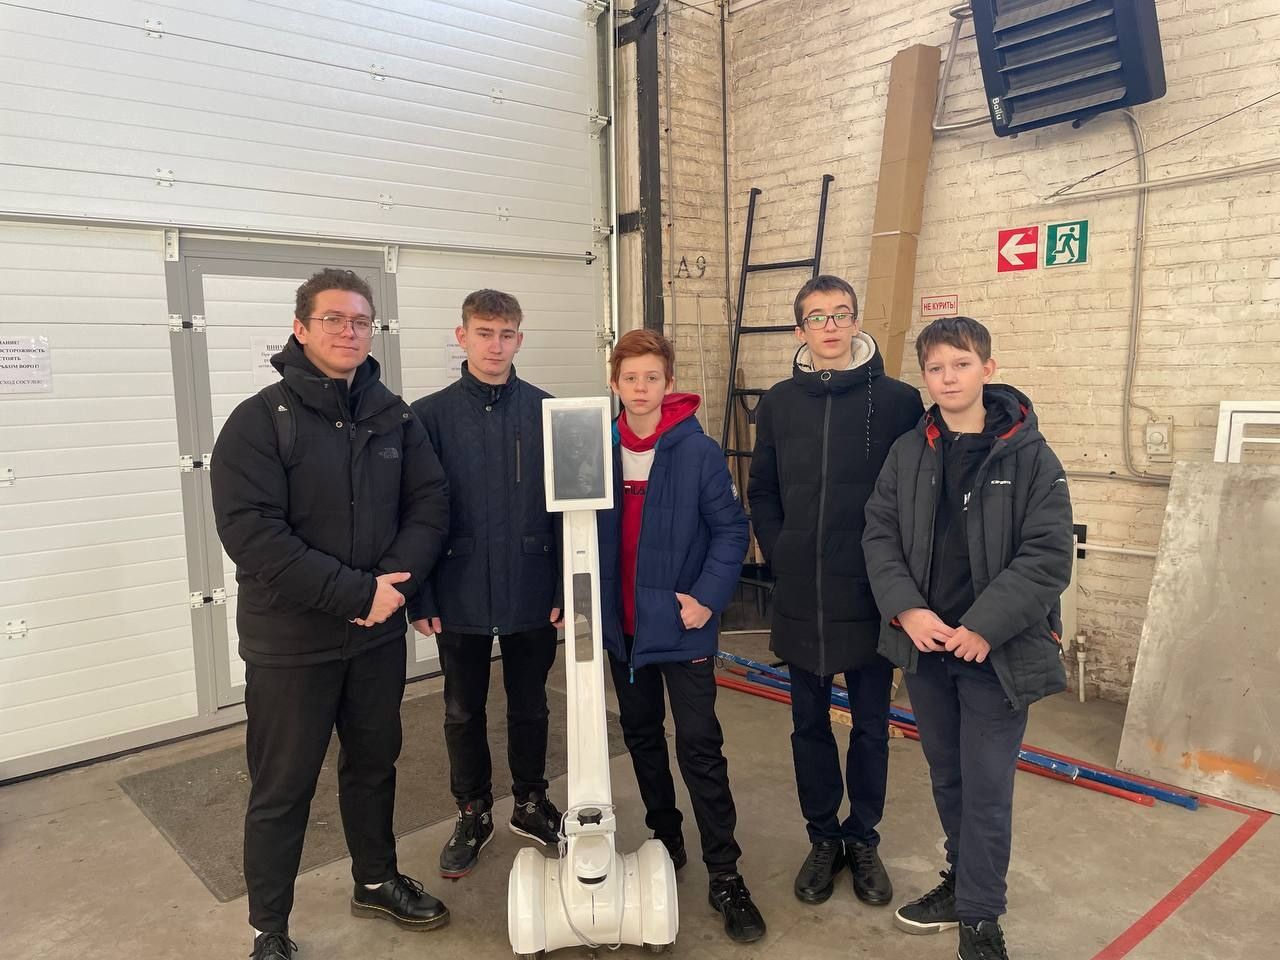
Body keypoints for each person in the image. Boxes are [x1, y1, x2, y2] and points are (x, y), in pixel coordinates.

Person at [211, 268, 451, 960]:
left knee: (374, 765)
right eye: (334, 320)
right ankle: (269, 928)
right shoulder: (260, 421)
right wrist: (359, 594)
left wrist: (393, 586)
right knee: (283, 787)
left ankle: (375, 880)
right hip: (292, 643)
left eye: (361, 321)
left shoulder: (393, 415)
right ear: (300, 328)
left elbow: (430, 503)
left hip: (375, 638)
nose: (349, 332)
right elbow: (254, 535)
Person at [862, 316, 1073, 960]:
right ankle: (963, 882)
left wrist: (984, 626)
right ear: (924, 377)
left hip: (996, 653)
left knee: (986, 786)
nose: (948, 378)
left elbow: (1047, 555)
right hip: (928, 650)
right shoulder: (909, 451)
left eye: (961, 364)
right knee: (948, 776)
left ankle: (981, 916)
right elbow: (880, 535)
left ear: (987, 367)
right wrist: (907, 611)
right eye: (936, 368)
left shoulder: (1030, 455)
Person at [748, 275, 924, 908]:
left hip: (872, 593)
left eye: (840, 314)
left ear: (855, 321)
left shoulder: (899, 401)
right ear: (800, 329)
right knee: (808, 725)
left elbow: (915, 493)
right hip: (804, 592)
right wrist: (782, 548)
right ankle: (823, 837)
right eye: (816, 317)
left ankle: (863, 838)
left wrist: (897, 573)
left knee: (872, 727)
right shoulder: (778, 403)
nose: (829, 326)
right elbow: (762, 487)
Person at [597, 329, 766, 943]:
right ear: (615, 384)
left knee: (699, 747)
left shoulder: (697, 451)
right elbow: (570, 525)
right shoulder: (598, 447)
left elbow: (731, 529)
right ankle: (665, 840)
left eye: (652, 378)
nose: (641, 388)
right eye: (630, 378)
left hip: (683, 627)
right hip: (624, 631)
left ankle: (725, 874)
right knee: (642, 738)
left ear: (669, 383)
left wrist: (707, 599)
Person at [408, 289, 564, 880]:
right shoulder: (428, 417)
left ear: (519, 339)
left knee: (531, 704)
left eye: (506, 334)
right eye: (483, 333)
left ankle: (530, 801)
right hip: (459, 587)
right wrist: (421, 595)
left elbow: (567, 508)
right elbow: (416, 512)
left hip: (531, 583)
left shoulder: (548, 412)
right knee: (461, 709)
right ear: (462, 336)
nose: (495, 346)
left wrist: (563, 587)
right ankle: (473, 810)